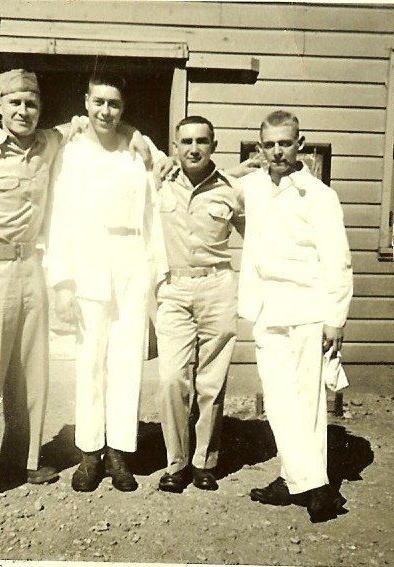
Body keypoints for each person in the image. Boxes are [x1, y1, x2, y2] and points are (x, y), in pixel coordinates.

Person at [0, 69, 150, 509]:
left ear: (40, 108)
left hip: (31, 268)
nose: (23, 111)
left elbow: (102, 123)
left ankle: (24, 462)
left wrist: (138, 136)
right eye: (15, 103)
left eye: (31, 104)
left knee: (31, 377)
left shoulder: (51, 142)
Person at [47, 72, 167, 493]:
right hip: (88, 261)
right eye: (98, 102)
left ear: (123, 109)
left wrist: (157, 274)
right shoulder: (71, 153)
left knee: (127, 360)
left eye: (114, 103)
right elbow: (60, 218)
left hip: (132, 260)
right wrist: (62, 280)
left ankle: (119, 451)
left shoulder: (138, 150)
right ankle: (89, 452)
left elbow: (154, 210)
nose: (105, 110)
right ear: (86, 102)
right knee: (90, 361)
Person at [237, 110, 353, 522]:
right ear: (260, 148)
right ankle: (307, 483)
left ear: (299, 144)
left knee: (308, 401)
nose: (277, 152)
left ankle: (306, 485)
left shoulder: (319, 196)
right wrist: (240, 168)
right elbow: (217, 187)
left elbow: (337, 259)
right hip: (267, 307)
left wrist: (335, 317)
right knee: (279, 400)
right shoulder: (252, 187)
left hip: (308, 308)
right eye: (269, 145)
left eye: (285, 143)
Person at [155, 116, 244, 493]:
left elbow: (258, 238)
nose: (194, 149)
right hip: (174, 288)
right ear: (175, 146)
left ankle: (204, 461)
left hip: (217, 287)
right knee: (171, 378)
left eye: (202, 141)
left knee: (211, 381)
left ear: (214, 145)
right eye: (186, 141)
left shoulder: (232, 190)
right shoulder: (158, 182)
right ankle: (176, 462)